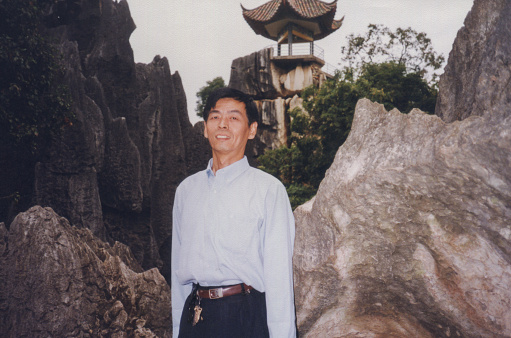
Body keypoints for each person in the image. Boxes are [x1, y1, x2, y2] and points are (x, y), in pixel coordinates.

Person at [171, 87, 296, 337]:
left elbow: (279, 278)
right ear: (205, 127)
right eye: (215, 117)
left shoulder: (268, 191)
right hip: (194, 315)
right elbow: (178, 276)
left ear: (251, 130)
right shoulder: (186, 191)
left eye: (234, 118)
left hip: (244, 315)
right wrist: (177, 330)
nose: (223, 125)